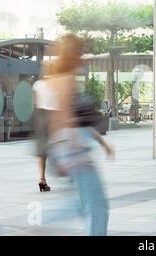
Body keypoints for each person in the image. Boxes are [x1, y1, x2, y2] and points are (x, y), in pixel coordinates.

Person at [44, 34, 114, 236]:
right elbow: (65, 116)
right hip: (74, 148)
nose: (82, 57)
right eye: (80, 52)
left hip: (68, 146)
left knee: (83, 203)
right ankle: (38, 226)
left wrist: (102, 143)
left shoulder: (58, 79)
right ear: (73, 54)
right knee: (97, 204)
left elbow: (71, 119)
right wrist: (73, 151)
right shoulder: (67, 81)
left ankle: (38, 225)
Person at [32, 61, 54, 192]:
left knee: (42, 151)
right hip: (53, 115)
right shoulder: (56, 83)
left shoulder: (37, 84)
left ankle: (42, 178)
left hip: (40, 115)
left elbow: (34, 104)